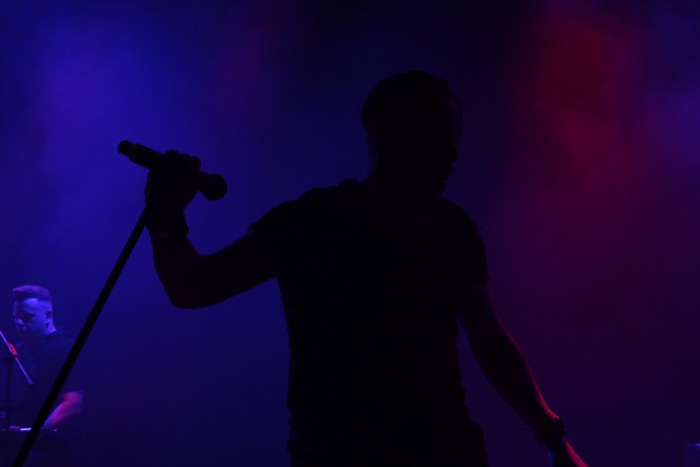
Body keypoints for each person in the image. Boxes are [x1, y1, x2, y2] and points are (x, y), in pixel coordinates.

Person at [144, 71, 586, 466]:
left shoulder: (450, 229)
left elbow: (490, 342)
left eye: (454, 137)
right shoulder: (313, 222)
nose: (453, 154)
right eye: (437, 135)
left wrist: (553, 437)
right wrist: (165, 218)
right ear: (390, 134)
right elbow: (194, 289)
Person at [5, 285, 83, 466]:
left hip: (53, 453)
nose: (19, 323)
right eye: (16, 318)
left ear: (48, 316)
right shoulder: (20, 350)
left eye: (27, 317)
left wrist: (33, 434)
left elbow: (72, 404)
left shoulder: (65, 348)